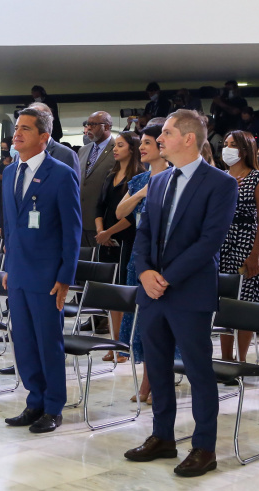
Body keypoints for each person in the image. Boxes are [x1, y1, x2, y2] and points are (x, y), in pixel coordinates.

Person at [123, 110, 237, 477]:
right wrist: (144, 272)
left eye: (167, 133)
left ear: (189, 139)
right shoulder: (157, 181)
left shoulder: (220, 183)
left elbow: (209, 243)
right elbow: (142, 234)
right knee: (156, 367)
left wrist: (166, 277)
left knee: (198, 371)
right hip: (153, 290)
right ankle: (163, 437)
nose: (160, 139)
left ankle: (204, 447)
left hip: (189, 291)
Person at [1, 106, 81, 433]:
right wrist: (9, 266)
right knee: (23, 341)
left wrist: (65, 278)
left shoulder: (61, 174)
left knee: (48, 342)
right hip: (19, 272)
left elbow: (72, 231)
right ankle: (34, 401)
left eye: (25, 129)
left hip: (48, 276)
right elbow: (10, 225)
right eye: (16, 127)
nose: (16, 133)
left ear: (44, 137)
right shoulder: (9, 172)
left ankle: (53, 407)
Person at [116, 124, 169, 404]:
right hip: (139, 257)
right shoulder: (140, 181)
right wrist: (141, 193)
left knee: (158, 326)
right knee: (143, 324)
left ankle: (154, 383)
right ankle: (150, 382)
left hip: (164, 260)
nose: (143, 148)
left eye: (148, 142)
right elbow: (120, 211)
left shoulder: (174, 178)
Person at [218, 130, 259, 362]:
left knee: (243, 304)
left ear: (244, 150)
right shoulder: (220, 177)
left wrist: (255, 253)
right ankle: (225, 358)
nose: (227, 148)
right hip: (223, 242)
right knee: (224, 304)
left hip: (247, 242)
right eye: (225, 144)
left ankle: (240, 360)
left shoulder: (258, 178)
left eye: (233, 145)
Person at [96, 131, 144, 363]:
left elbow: (133, 216)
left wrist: (109, 232)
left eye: (120, 145)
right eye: (115, 145)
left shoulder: (139, 176)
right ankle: (112, 344)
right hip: (105, 239)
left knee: (123, 291)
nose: (115, 149)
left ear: (132, 149)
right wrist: (100, 232)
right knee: (111, 294)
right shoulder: (110, 174)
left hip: (126, 238)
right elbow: (99, 207)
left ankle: (123, 345)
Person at [78, 111, 116, 246]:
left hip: (103, 223)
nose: (88, 128)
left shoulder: (118, 149)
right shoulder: (83, 150)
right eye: (88, 124)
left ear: (106, 127)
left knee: (100, 265)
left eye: (93, 125)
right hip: (80, 220)